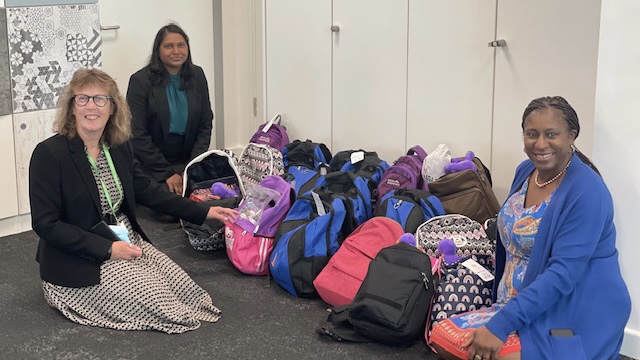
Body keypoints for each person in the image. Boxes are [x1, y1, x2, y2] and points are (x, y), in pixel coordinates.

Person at [29, 68, 238, 333]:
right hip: (78, 256)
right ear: (72, 107)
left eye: (100, 99)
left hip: (123, 236)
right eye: (83, 98)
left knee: (186, 290)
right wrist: (107, 250)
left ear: (112, 107)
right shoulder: (49, 154)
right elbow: (46, 224)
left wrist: (203, 211)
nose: (91, 107)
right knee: (160, 302)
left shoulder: (118, 146)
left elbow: (148, 191)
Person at [429, 96, 631, 360]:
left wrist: (501, 324)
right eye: (531, 134)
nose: (540, 144)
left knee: (480, 353)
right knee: (443, 337)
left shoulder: (588, 191)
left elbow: (562, 275)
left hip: (573, 311)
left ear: (572, 135)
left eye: (551, 134)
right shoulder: (526, 170)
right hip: (519, 303)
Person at [126, 23, 213, 218]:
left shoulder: (197, 75)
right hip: (152, 162)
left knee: (208, 197)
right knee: (166, 211)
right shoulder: (140, 81)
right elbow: (136, 134)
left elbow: (205, 124)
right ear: (158, 50)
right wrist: (166, 173)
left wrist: (192, 167)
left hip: (187, 157)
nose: (176, 51)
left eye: (181, 45)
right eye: (168, 46)